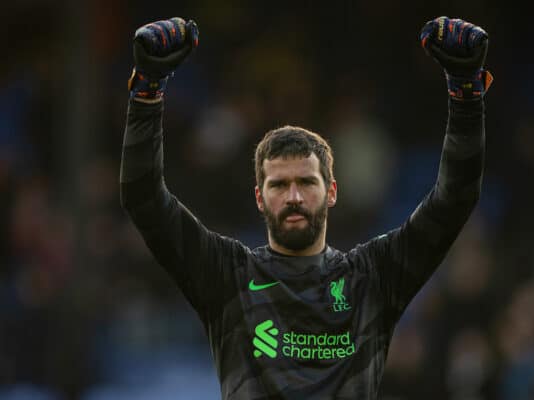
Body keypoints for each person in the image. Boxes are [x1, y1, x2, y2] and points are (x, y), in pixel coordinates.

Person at [120, 15, 492, 399]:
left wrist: (466, 93)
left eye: (306, 183)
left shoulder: (373, 278)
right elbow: (143, 198)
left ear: (331, 192)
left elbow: (455, 198)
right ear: (260, 198)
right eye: (279, 184)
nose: (294, 197)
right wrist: (147, 91)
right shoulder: (227, 277)